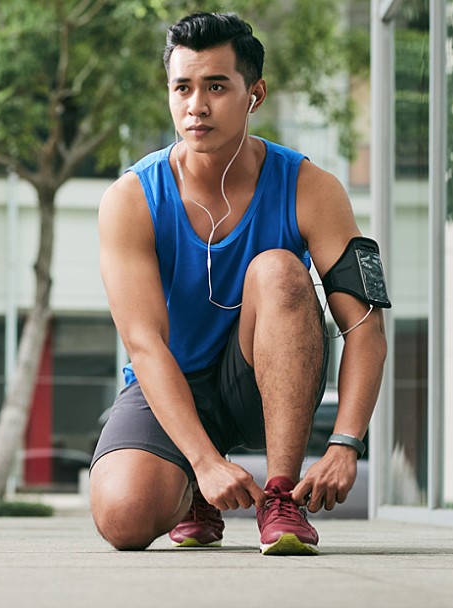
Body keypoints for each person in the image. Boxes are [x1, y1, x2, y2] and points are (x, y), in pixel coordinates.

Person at [90, 12, 388, 556]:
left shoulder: (310, 188)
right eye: (182, 87)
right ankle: (194, 491)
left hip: (266, 378)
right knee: (124, 518)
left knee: (278, 268)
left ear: (255, 94)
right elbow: (144, 344)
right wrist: (203, 462)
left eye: (216, 86)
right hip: (172, 387)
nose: (195, 106)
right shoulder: (130, 199)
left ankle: (280, 497)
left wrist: (347, 443)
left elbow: (366, 326)